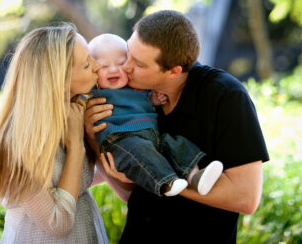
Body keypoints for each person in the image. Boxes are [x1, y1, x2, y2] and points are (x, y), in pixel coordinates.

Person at [84, 10, 269, 243]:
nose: (125, 67)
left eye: (138, 64)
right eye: (129, 53)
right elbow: (132, 195)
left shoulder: (224, 95)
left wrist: (167, 181)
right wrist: (95, 142)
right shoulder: (132, 93)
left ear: (174, 71)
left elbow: (246, 197)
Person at [0, 24, 109, 243]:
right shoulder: (17, 145)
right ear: (58, 81)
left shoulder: (73, 114)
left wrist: (89, 136)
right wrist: (76, 147)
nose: (98, 67)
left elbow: (89, 178)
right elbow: (57, 222)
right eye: (87, 64)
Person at [87, 33, 223, 197]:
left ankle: (195, 176)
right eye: (104, 67)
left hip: (152, 135)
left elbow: (145, 100)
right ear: (93, 71)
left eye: (121, 63)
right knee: (142, 153)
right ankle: (166, 182)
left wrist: (154, 99)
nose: (114, 69)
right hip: (122, 140)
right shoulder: (96, 93)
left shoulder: (137, 86)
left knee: (177, 145)